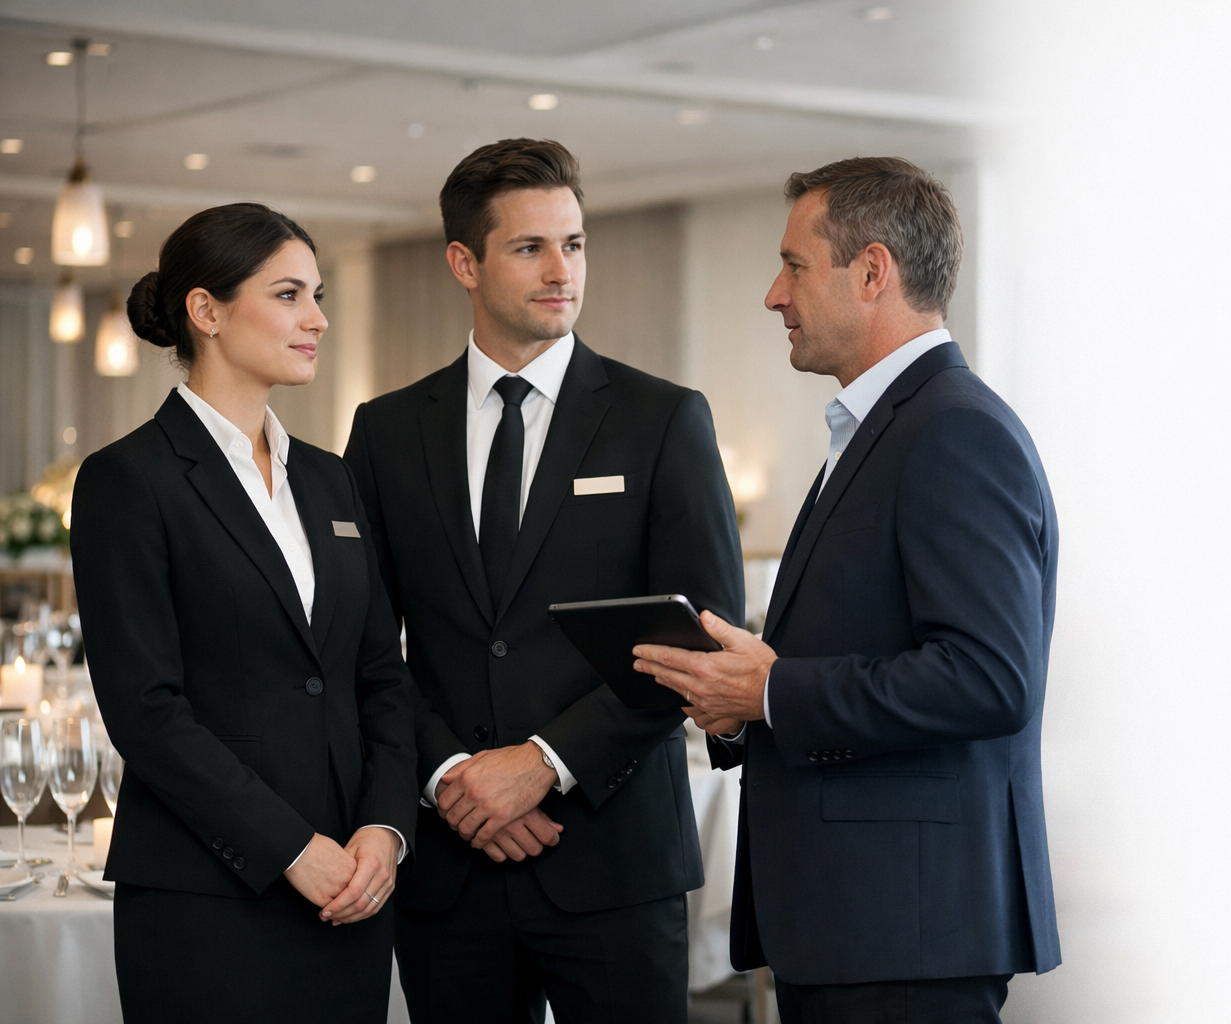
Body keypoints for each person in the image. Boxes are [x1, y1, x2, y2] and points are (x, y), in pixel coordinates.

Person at [633, 157, 1061, 1024]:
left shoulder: (953, 434)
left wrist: (771, 689)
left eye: (793, 266)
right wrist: (743, 700)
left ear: (872, 271)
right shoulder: (893, 427)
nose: (772, 295)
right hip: (860, 920)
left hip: (906, 927)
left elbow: (988, 677)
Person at [344, 138, 744, 1024]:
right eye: (530, 247)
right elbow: (363, 642)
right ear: (464, 262)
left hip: (612, 856)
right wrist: (453, 775)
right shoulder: (386, 432)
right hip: (450, 866)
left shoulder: (662, 420)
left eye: (574, 244)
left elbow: (700, 636)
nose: (561, 269)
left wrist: (542, 764)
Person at [70, 203, 420, 1024]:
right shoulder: (130, 479)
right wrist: (291, 849)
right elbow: (146, 711)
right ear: (207, 310)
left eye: (318, 295)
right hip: (208, 894)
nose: (318, 320)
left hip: (351, 888)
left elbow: (380, 676)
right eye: (291, 295)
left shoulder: (331, 480)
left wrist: (384, 830)